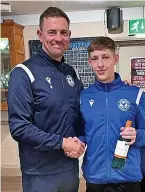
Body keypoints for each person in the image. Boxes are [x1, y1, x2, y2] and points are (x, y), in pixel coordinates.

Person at [7, 7, 85, 192]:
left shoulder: (70, 73)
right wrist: (61, 143)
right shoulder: (23, 73)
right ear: (40, 35)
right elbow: (19, 127)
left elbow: (82, 112)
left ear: (69, 36)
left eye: (63, 32)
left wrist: (79, 140)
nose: (58, 38)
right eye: (52, 32)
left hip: (70, 167)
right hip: (40, 173)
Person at [79, 36, 145, 192]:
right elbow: (81, 132)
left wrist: (137, 135)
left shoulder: (136, 95)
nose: (100, 64)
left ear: (115, 59)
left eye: (106, 57)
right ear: (90, 62)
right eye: (95, 58)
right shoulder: (83, 97)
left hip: (128, 177)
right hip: (95, 177)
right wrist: (78, 143)